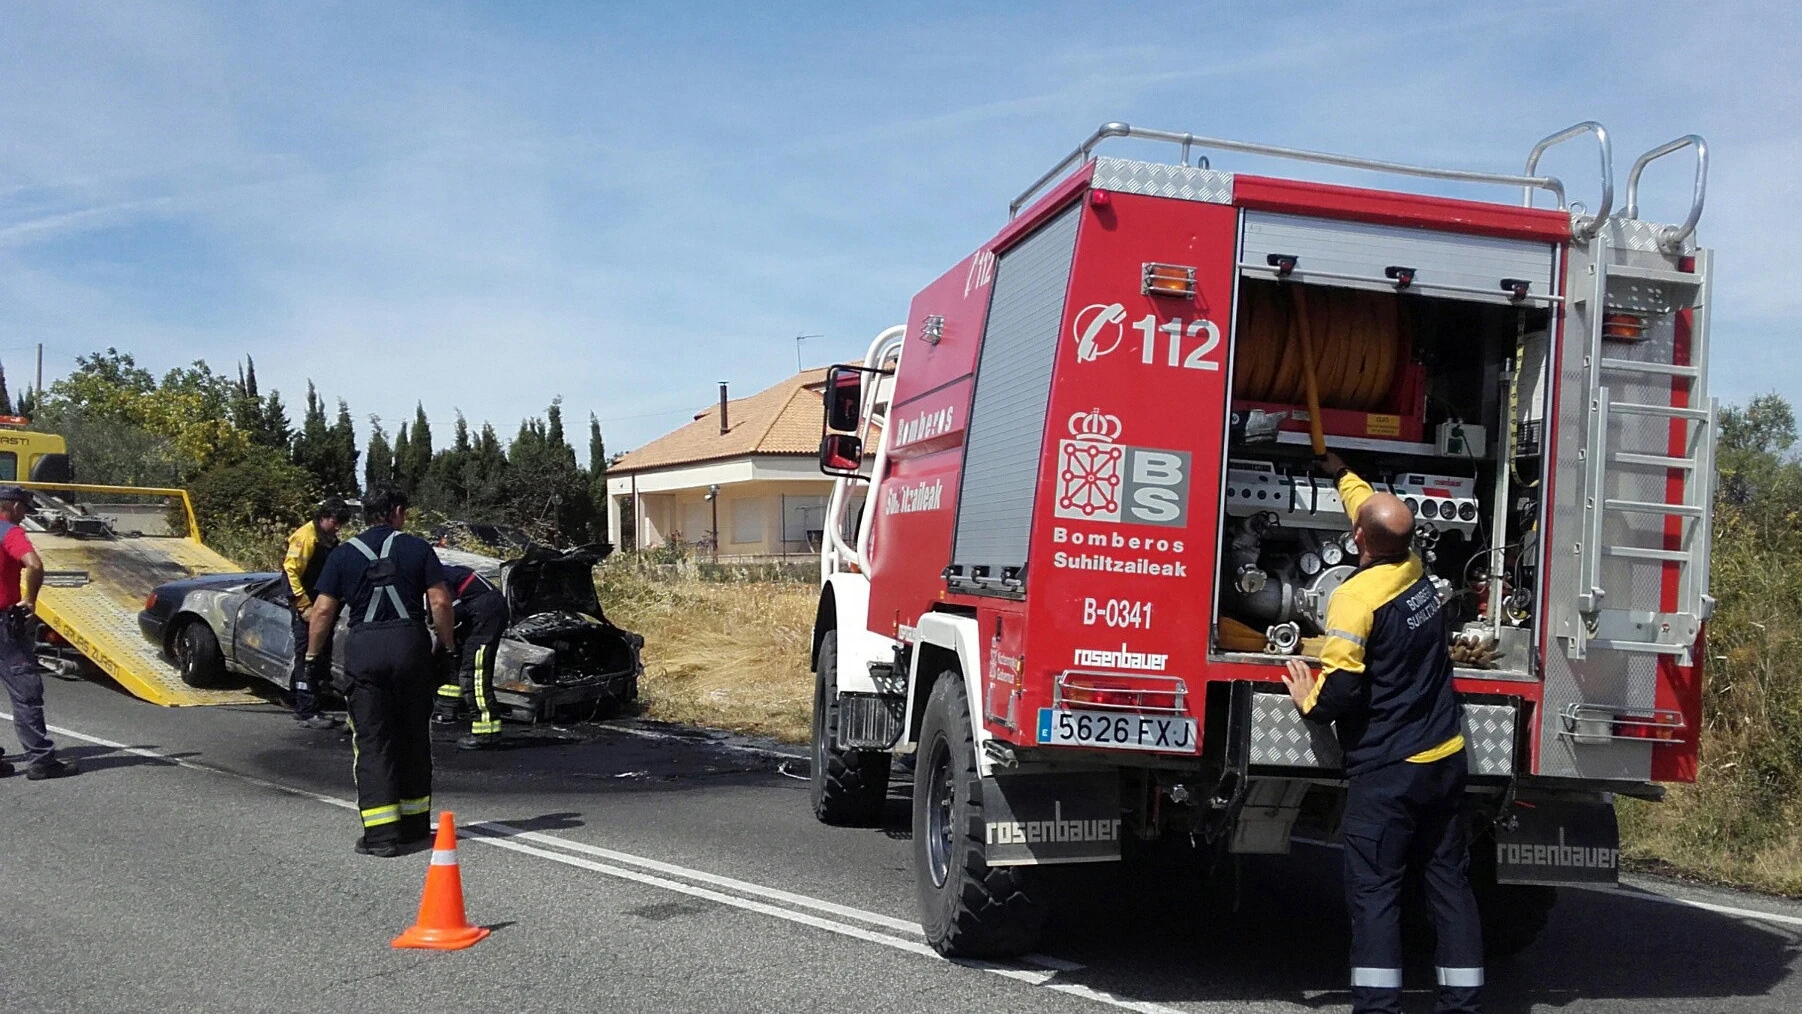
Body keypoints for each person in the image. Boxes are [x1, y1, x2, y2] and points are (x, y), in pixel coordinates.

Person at [1280, 452, 1482, 1014]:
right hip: (1444, 760)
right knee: (1449, 886)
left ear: (1356, 538)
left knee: (1375, 894)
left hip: (1389, 770)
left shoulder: (1353, 597)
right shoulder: (1415, 570)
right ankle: (1462, 1004)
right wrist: (1341, 471)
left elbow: (1340, 692)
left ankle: (1377, 1007)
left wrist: (1306, 698)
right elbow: (1374, 512)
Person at [307, 486, 455, 857]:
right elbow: (439, 601)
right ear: (398, 512)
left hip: (365, 651)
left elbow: (323, 611)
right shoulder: (418, 548)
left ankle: (381, 836)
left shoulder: (342, 555)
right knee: (413, 737)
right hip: (409, 648)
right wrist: (447, 648)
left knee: (373, 742)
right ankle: (415, 825)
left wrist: (312, 657)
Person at [0, 486, 77, 780]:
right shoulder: (9, 531)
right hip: (3, 626)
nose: (23, 517)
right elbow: (34, 564)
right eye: (23, 511)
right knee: (26, 691)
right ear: (15, 507)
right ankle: (41, 760)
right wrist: (30, 599)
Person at [283, 498, 351, 729]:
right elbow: (290, 572)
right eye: (335, 522)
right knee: (306, 655)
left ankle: (308, 701)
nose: (338, 527)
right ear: (324, 517)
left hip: (322, 606)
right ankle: (306, 710)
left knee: (318, 655)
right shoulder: (306, 537)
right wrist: (303, 606)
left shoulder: (327, 538)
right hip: (308, 607)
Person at [432, 561, 509, 750]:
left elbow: (450, 609)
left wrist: (436, 626)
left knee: (475, 671)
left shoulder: (435, 578)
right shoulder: (440, 572)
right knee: (454, 656)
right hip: (477, 611)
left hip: (485, 615)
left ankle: (486, 733)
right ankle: (447, 709)